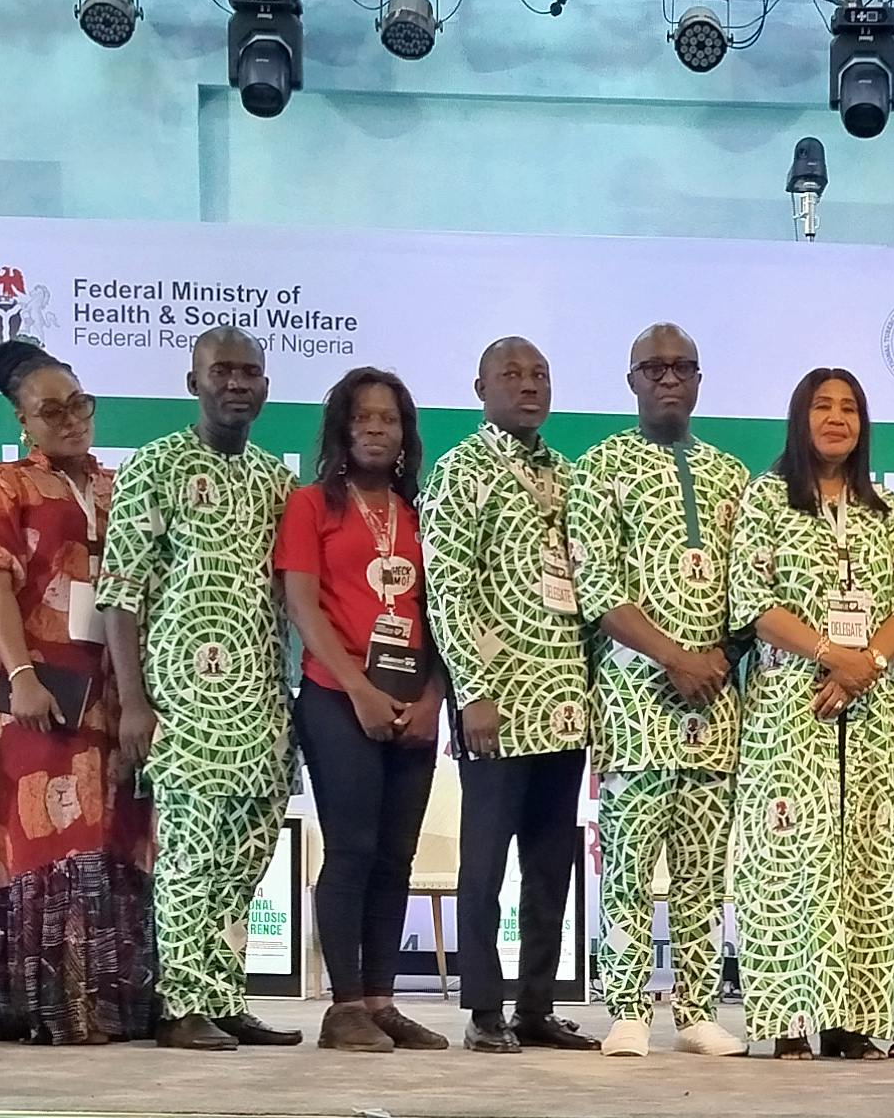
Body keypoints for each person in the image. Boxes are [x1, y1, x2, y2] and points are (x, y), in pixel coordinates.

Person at [103, 325, 297, 1050]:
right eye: (222, 371)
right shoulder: (154, 466)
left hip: (261, 707)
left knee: (246, 856)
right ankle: (180, 1007)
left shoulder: (279, 480)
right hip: (180, 703)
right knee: (188, 857)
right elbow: (120, 592)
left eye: (249, 372)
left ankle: (224, 995)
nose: (236, 383)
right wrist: (133, 699)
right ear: (193, 383)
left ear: (267, 389)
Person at [0, 343, 158, 1047]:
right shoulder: (5, 487)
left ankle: (114, 1005)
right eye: (53, 410)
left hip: (113, 692)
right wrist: (21, 678)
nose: (72, 420)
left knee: (115, 836)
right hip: (39, 689)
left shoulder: (118, 485)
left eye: (80, 405)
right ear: (22, 420)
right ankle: (47, 1006)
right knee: (49, 837)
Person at [728, 365, 894, 1057]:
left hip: (867, 712)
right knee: (791, 863)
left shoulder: (883, 512)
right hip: (792, 707)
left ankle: (852, 1024)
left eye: (850, 407)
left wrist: (863, 663)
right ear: (799, 416)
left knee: (863, 862)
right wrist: (827, 654)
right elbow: (753, 603)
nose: (837, 418)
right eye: (823, 406)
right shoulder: (767, 499)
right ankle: (789, 1021)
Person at [570, 324, 752, 1058]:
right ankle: (626, 1008)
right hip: (635, 706)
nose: (668, 378)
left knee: (705, 868)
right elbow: (598, 587)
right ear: (632, 380)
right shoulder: (598, 469)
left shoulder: (731, 475)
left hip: (715, 710)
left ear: (701, 380)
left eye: (681, 367)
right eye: (653, 367)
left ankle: (699, 1008)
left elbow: (751, 590)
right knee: (629, 866)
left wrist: (717, 654)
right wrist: (675, 655)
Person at [426, 336, 595, 1051]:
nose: (528, 387)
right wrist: (473, 690)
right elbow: (447, 589)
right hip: (498, 703)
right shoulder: (459, 472)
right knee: (486, 863)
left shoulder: (567, 474)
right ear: (480, 388)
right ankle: (484, 1010)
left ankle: (535, 1004)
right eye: (511, 375)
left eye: (539, 375)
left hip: (565, 701)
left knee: (550, 866)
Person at [276, 367, 449, 1054]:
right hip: (336, 696)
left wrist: (433, 697)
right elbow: (302, 606)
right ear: (342, 429)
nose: (377, 429)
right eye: (364, 417)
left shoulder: (419, 513)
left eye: (390, 419)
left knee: (396, 857)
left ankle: (381, 1002)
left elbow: (441, 613)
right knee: (352, 849)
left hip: (414, 701)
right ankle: (342, 1005)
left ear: (406, 434)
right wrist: (360, 691)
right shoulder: (312, 505)